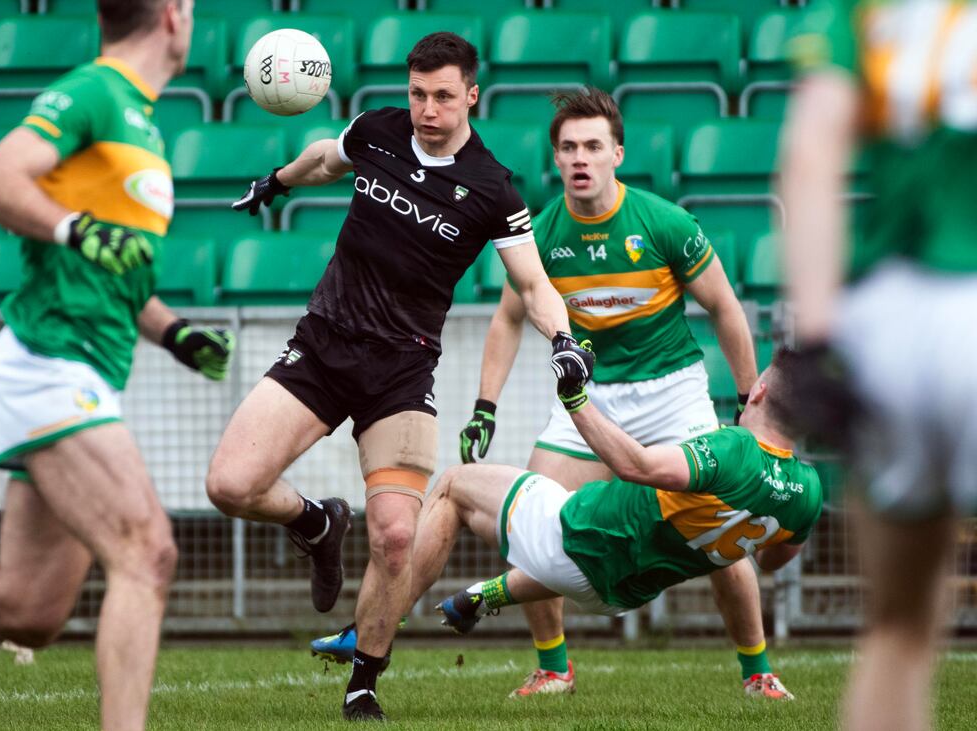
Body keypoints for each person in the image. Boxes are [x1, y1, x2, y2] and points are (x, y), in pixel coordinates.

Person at [312, 87, 783, 700]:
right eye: (568, 147)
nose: (580, 158)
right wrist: (486, 405)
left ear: (618, 152)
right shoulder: (542, 233)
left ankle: (757, 672)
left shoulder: (665, 222)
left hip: (673, 394)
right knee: (533, 526)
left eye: (592, 145)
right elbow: (509, 319)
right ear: (555, 159)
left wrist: (748, 396)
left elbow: (723, 306)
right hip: (589, 398)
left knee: (714, 534)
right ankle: (553, 666)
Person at [206, 32, 586, 722]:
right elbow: (327, 156)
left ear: (471, 94)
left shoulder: (493, 188)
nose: (427, 109)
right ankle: (318, 523)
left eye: (443, 95)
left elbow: (533, 283)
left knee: (395, 536)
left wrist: (564, 339)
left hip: (401, 372)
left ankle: (363, 684)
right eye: (417, 93)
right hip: (322, 346)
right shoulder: (379, 130)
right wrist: (277, 181)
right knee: (229, 484)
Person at [0, 3, 235, 730]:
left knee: (28, 608)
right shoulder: (95, 92)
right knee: (148, 551)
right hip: (50, 360)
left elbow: (114, 268)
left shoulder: (139, 119)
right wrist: (76, 227)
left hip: (80, 366)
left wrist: (172, 332)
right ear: (173, 16)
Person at [404, 348, 821, 704]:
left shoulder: (732, 447)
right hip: (621, 593)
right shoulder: (808, 491)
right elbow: (769, 562)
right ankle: (484, 594)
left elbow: (634, 465)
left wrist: (575, 397)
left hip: (577, 535)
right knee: (573, 559)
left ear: (760, 391)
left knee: (453, 485)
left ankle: (378, 625)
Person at [781, 2, 977, 729]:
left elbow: (810, 154)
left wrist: (815, 333)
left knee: (897, 621)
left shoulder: (868, 10)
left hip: (893, 325)